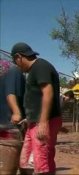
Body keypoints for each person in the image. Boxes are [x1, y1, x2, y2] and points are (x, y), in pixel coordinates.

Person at [11, 42, 62, 174]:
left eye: (15, 61)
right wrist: (30, 118)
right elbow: (37, 98)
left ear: (19, 57)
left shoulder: (40, 67)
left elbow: (48, 92)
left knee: (40, 162)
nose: (16, 65)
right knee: (26, 161)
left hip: (43, 121)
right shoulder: (36, 69)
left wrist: (43, 122)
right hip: (36, 122)